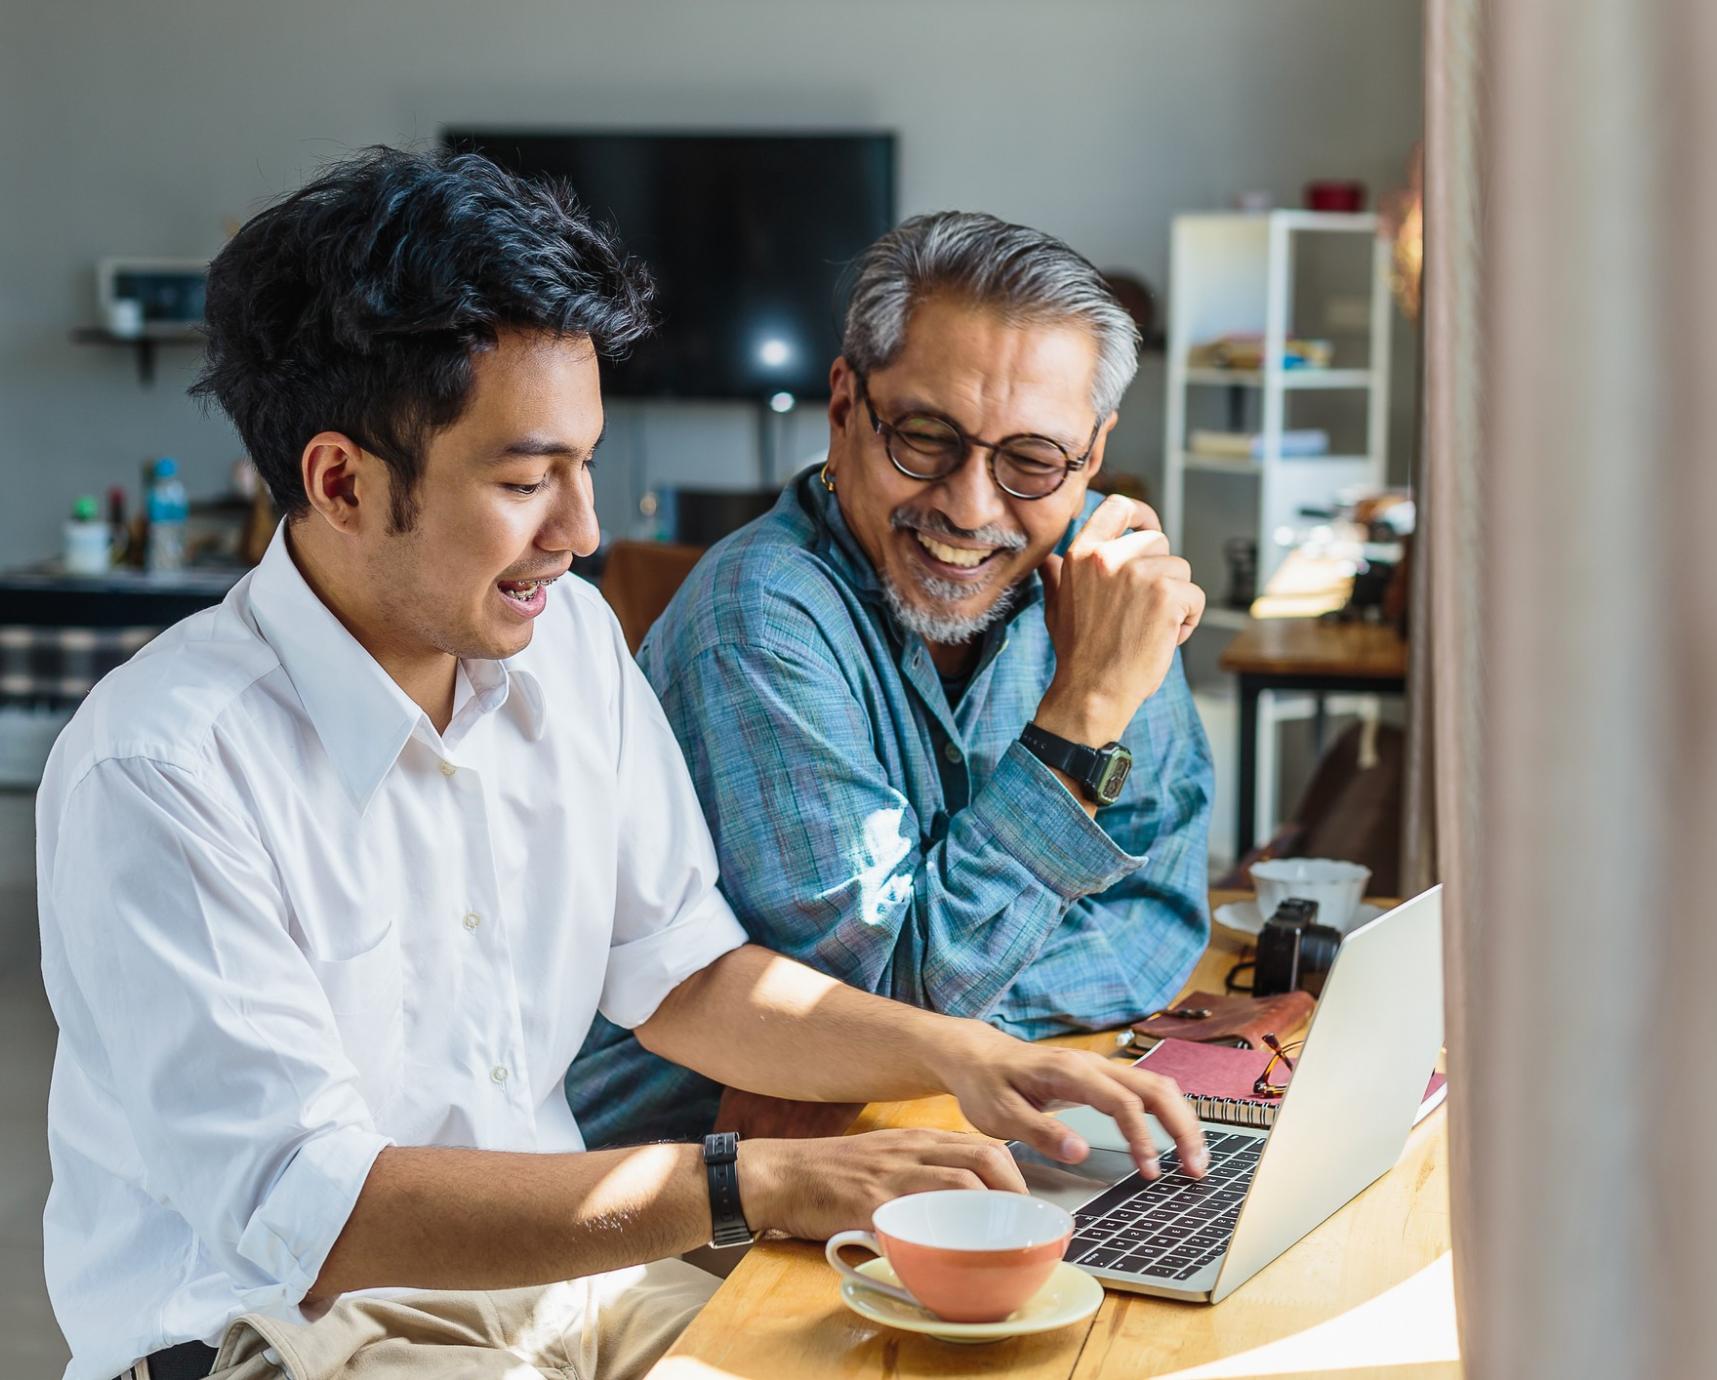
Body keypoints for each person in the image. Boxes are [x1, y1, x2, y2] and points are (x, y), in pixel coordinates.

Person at [36, 149, 1204, 1380]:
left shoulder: (568, 647)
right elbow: (315, 1212)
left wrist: (965, 1058)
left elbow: (689, 979)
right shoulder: (160, 767)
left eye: (582, 467)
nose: (584, 533)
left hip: (556, 1293)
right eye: (528, 479)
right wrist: (751, 1181)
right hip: (279, 1330)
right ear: (339, 480)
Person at [568, 212, 1212, 1148]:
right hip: (700, 1192)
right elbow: (890, 992)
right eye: (925, 438)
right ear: (843, 409)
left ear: (1092, 457)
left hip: (939, 1122)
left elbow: (1158, 914)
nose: (970, 505)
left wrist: (941, 1039)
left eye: (1031, 461)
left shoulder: (1111, 578)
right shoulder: (758, 612)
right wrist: (1085, 713)